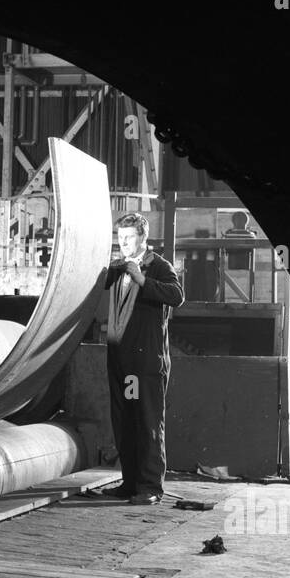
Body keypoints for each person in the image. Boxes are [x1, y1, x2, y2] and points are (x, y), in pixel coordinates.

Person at [103, 212, 184, 504]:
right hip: (123, 364)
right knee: (126, 420)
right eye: (120, 237)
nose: (123, 243)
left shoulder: (158, 266)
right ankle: (130, 482)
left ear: (143, 238)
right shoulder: (118, 268)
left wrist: (141, 279)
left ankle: (150, 487)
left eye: (129, 238)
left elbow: (177, 296)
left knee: (147, 421)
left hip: (146, 363)